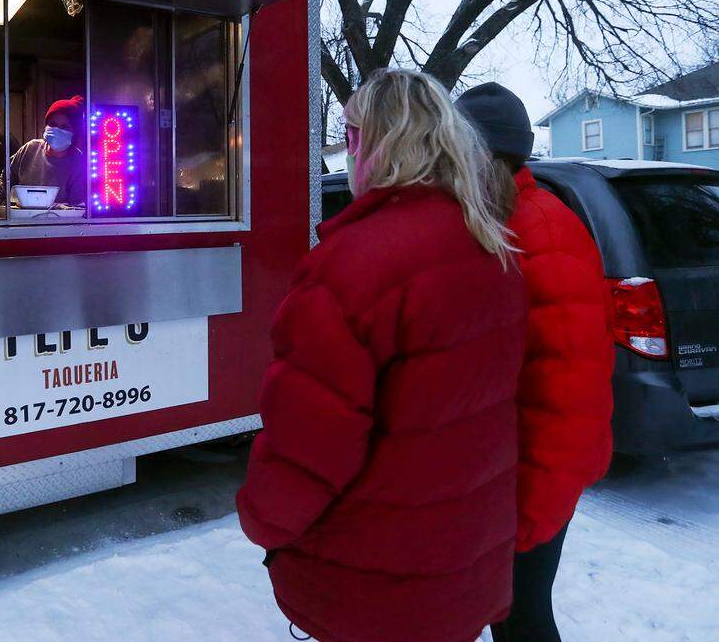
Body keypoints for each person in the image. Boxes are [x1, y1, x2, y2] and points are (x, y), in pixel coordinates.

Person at [236, 68, 528, 642]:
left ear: (369, 142)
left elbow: (311, 440)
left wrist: (264, 519)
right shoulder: (491, 247)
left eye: (350, 135)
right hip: (461, 558)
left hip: (373, 574)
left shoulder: (353, 263)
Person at [456, 82, 614, 642]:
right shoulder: (497, 219)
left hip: (534, 484)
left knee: (521, 618)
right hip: (506, 476)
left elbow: (569, 393)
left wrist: (532, 515)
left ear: (478, 152)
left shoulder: (539, 231)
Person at [0, 95, 86, 206]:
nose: (57, 129)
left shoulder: (78, 161)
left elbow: (77, 205)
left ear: (75, 132)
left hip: (59, 217)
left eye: (64, 126)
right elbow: (4, 181)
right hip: (21, 216)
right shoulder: (30, 149)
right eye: (53, 124)